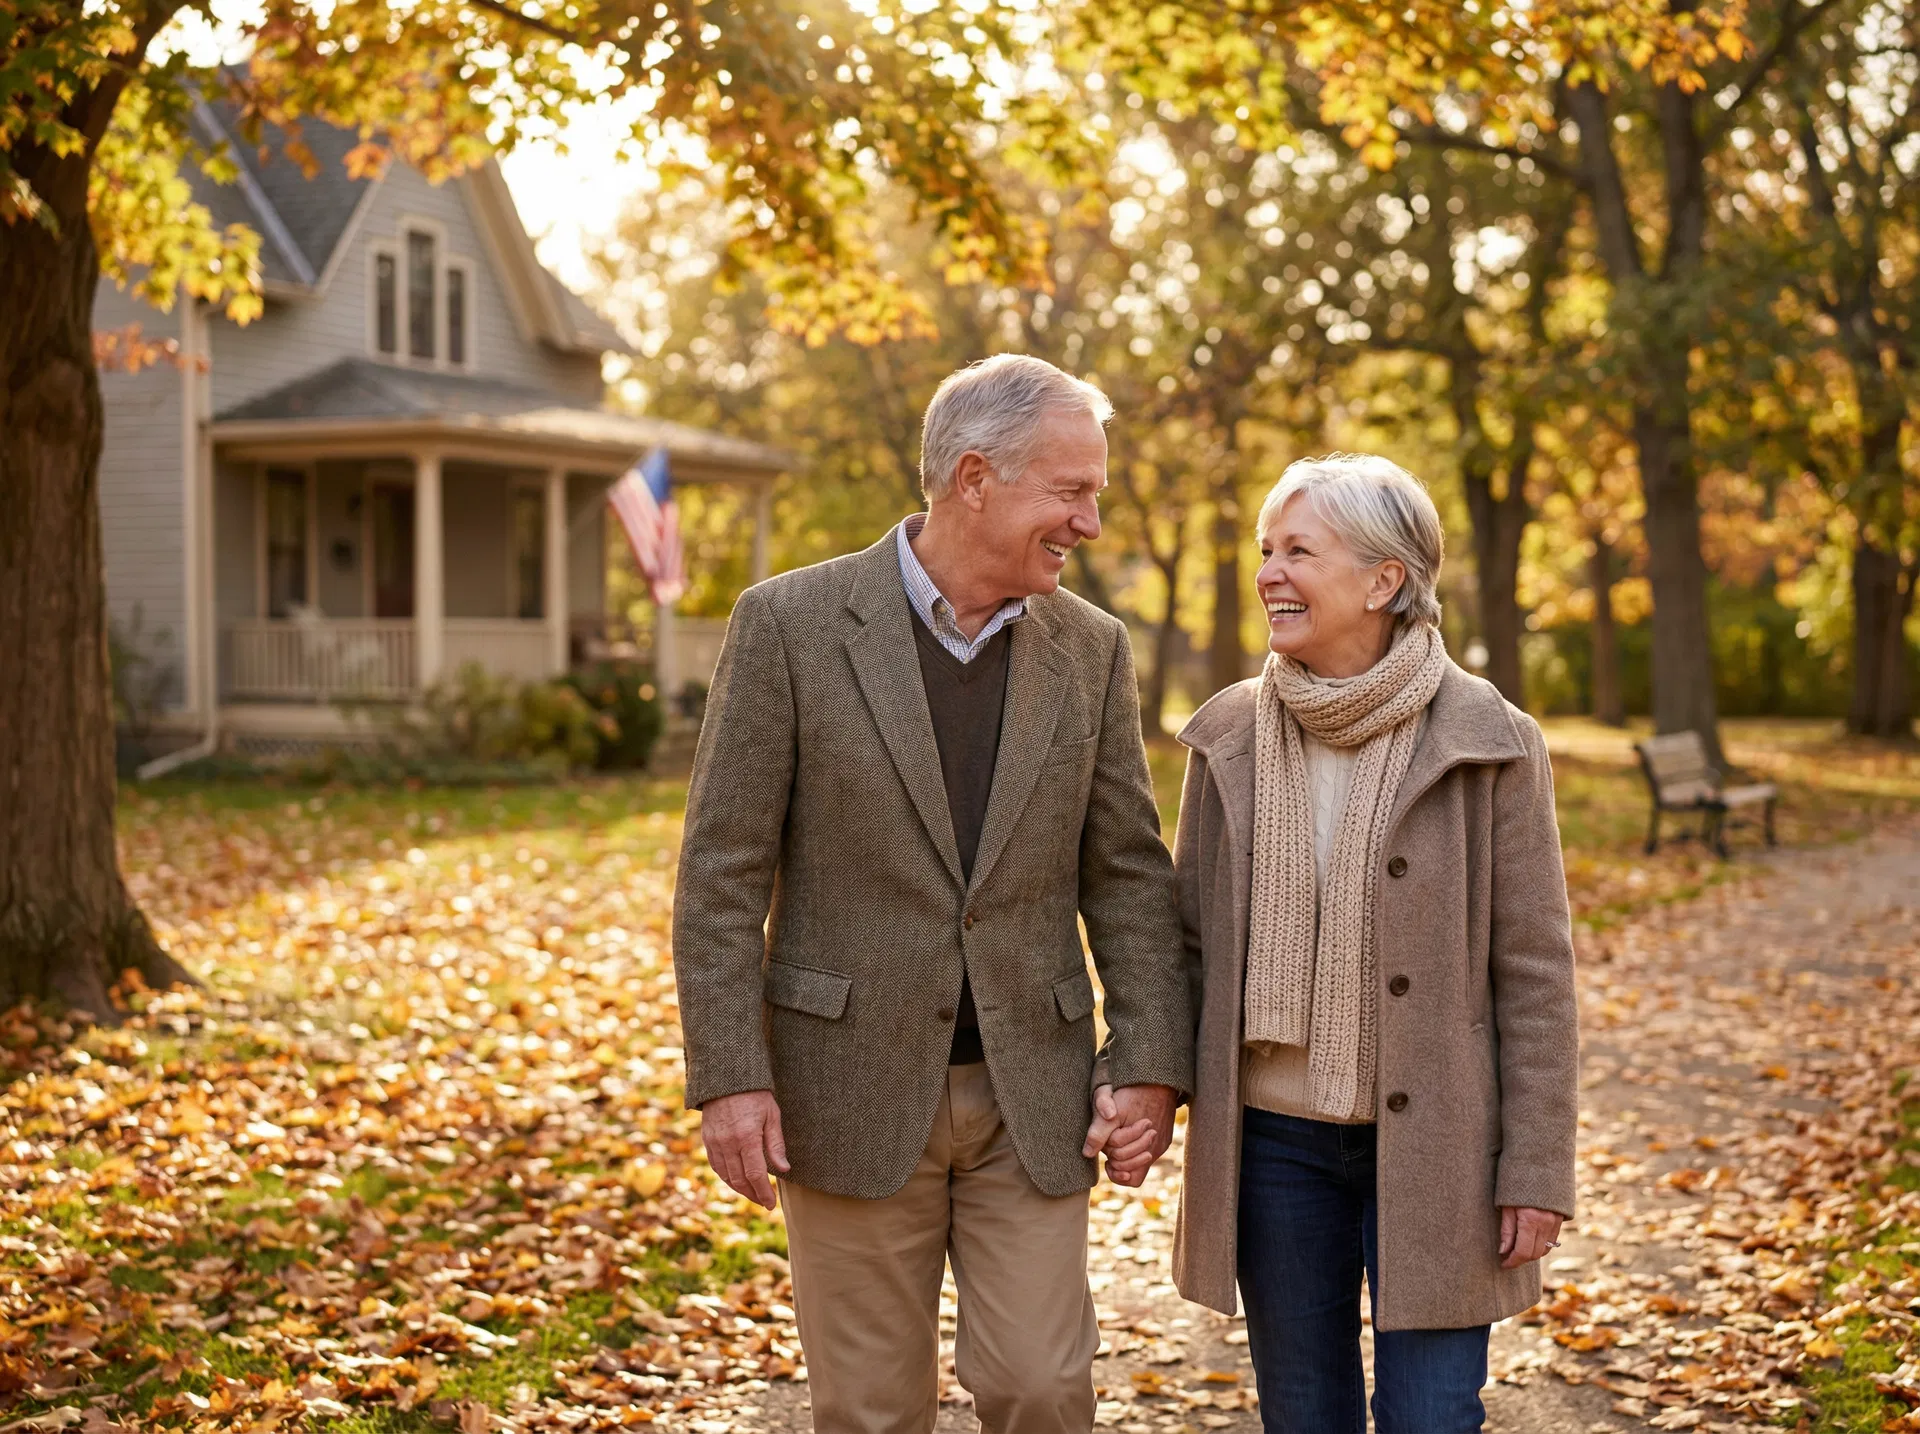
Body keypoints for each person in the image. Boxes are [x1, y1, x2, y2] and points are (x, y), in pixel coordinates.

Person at [672, 354, 1194, 1434]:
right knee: (869, 1411)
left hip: (1030, 1095)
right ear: (973, 478)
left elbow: (1129, 873)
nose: (1089, 521)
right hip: (843, 1091)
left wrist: (1148, 1065)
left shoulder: (1090, 650)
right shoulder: (789, 626)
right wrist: (730, 1076)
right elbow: (721, 874)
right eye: (1072, 489)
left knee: (1042, 1388)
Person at [1167, 454, 1578, 1433]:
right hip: (1274, 1146)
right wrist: (1141, 1085)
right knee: (1302, 1416)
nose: (1268, 571)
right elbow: (1182, 947)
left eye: (1298, 550)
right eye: (1265, 549)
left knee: (1433, 1419)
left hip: (1442, 1148)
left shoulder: (1493, 739)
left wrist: (1536, 1166)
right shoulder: (1226, 735)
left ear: (1385, 579)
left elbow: (1535, 973)